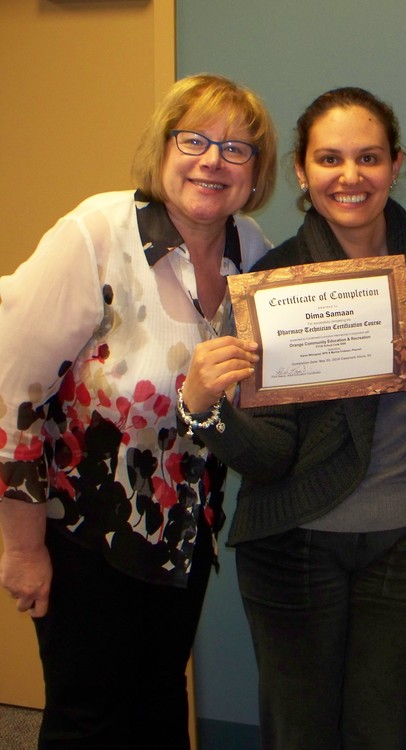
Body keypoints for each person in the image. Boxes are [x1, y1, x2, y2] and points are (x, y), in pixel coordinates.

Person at [179, 87, 406, 750]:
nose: (350, 176)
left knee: (388, 731)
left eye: (368, 157)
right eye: (330, 158)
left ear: (396, 164)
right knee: (299, 733)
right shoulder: (271, 281)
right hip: (293, 543)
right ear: (302, 172)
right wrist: (206, 409)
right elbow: (268, 457)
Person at [0, 73, 277, 749]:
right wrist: (22, 545)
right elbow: (13, 394)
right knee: (87, 716)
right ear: (163, 148)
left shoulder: (256, 253)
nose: (213, 160)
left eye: (236, 150)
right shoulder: (97, 232)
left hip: (186, 530)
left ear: (256, 173)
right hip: (84, 535)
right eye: (196, 140)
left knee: (158, 701)